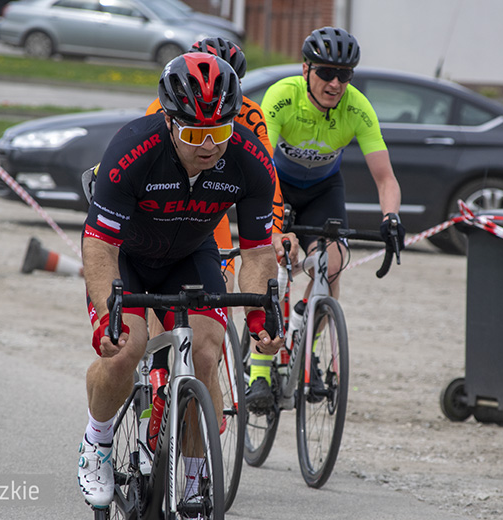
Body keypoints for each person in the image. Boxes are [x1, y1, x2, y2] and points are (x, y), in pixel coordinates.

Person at [77, 52, 285, 508]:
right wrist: (104, 316)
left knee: (207, 354)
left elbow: (257, 251)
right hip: (125, 256)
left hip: (191, 254)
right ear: (169, 123)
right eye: (194, 134)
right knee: (125, 351)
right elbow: (99, 245)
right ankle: (98, 440)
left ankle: (191, 484)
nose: (209, 146)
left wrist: (259, 317)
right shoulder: (132, 149)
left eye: (220, 132)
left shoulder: (249, 158)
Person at [248, 26, 406, 406]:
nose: (335, 83)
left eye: (345, 75)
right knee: (272, 264)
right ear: (306, 70)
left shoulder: (357, 108)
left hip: (323, 191)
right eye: (326, 73)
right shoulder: (282, 97)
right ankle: (258, 369)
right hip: (277, 186)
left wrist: (392, 219)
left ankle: (307, 343)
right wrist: (273, 225)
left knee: (330, 265)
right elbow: (261, 166)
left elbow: (386, 178)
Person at [144, 37, 299, 414]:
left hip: (210, 211)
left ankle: (205, 383)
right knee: (151, 299)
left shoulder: (249, 115)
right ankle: (155, 371)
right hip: (163, 210)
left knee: (221, 288)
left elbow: (266, 181)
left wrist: (274, 230)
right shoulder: (161, 108)